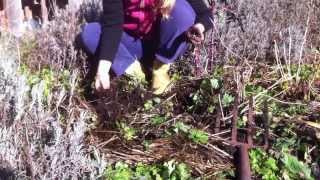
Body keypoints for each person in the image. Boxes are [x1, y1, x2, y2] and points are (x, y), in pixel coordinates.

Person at [80, 0, 213, 94]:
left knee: (183, 12)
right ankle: (137, 73)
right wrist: (102, 71)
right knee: (91, 32)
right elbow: (112, 26)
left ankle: (159, 71)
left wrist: (199, 27)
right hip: (131, 46)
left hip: (160, 46)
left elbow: (205, 14)